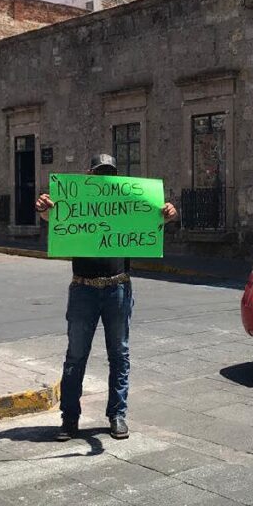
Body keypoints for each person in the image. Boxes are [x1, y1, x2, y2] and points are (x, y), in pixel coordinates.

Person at [36, 153, 178, 441]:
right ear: (89, 175)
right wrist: (43, 210)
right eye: (99, 173)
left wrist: (168, 213)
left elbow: (157, 219)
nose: (104, 178)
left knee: (119, 354)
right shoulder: (75, 201)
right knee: (75, 356)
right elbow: (52, 217)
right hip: (83, 288)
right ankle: (69, 418)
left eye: (109, 173)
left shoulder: (128, 202)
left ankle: (117, 414)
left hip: (118, 288)